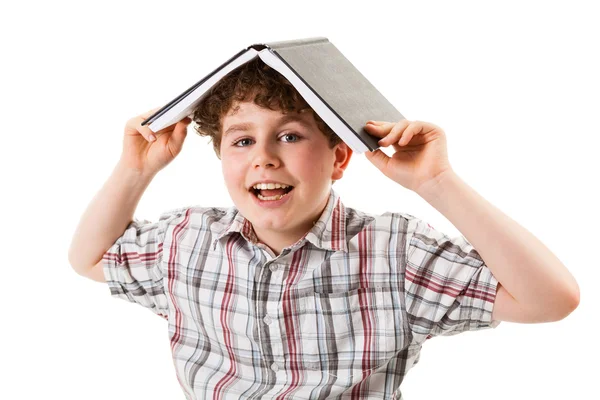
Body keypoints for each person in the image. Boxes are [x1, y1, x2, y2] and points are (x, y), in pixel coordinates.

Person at [68, 57, 580, 399]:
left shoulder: (392, 252)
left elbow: (551, 299)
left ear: (339, 157)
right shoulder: (187, 240)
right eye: (242, 141)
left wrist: (437, 182)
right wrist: (135, 170)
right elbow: (89, 258)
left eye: (289, 136)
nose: (264, 158)